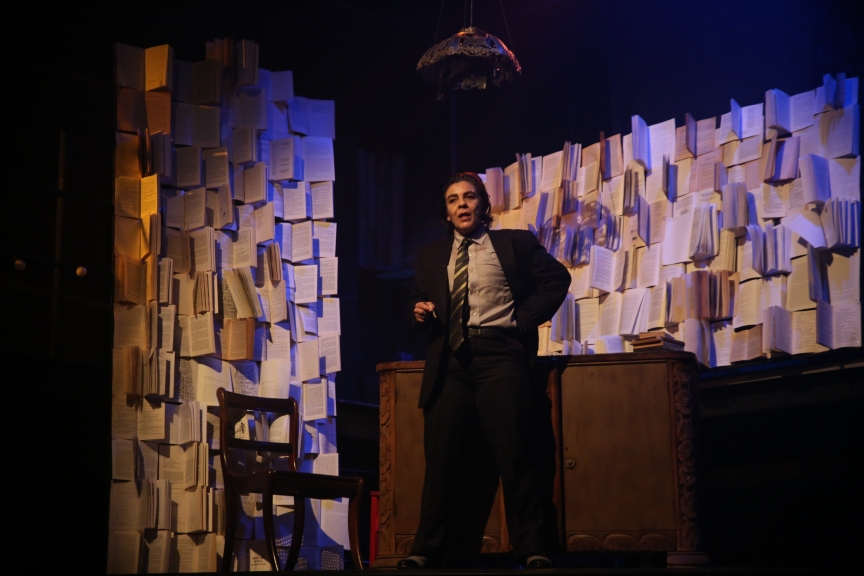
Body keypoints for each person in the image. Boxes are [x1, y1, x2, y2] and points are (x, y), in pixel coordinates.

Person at [398, 172, 570, 570]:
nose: (462, 204)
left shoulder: (514, 244)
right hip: (451, 361)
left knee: (515, 454)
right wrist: (419, 312)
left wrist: (522, 319)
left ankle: (532, 548)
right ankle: (426, 550)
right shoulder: (430, 256)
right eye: (453, 199)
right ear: (447, 213)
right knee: (441, 459)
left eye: (469, 196)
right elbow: (417, 302)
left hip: (500, 356)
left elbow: (557, 279)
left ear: (483, 204)